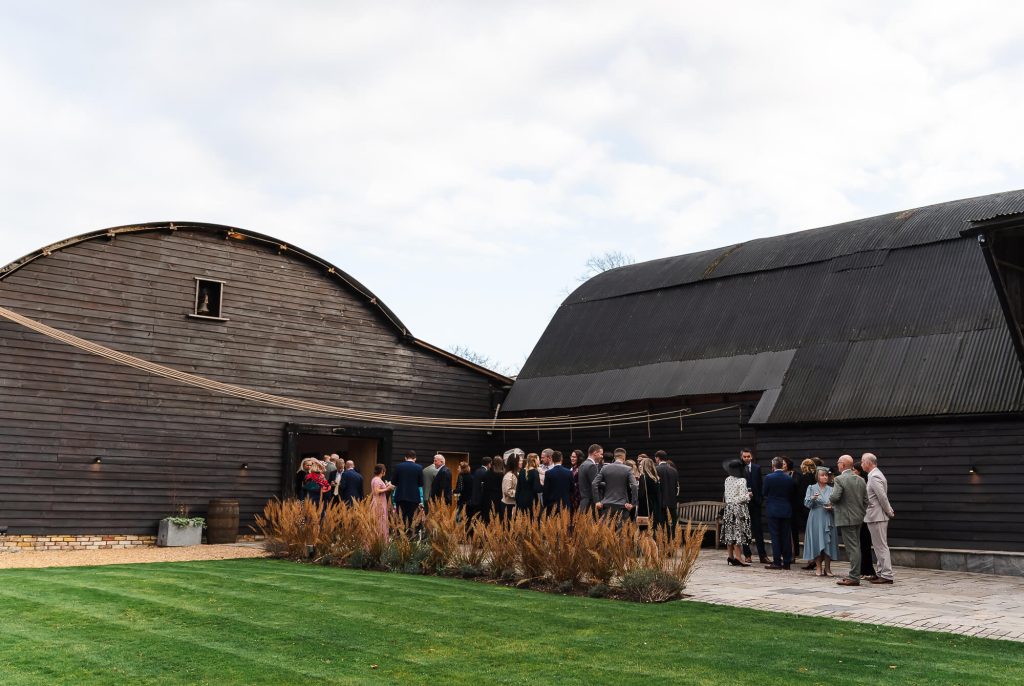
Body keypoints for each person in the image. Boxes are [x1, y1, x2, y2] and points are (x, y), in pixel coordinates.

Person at [829, 454, 868, 586]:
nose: (837, 465)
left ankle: (854, 577)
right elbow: (866, 501)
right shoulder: (861, 479)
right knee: (856, 546)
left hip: (846, 518)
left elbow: (835, 497)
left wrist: (830, 498)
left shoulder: (839, 479)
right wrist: (861, 513)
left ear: (843, 465)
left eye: (838, 462)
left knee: (852, 548)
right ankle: (854, 574)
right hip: (858, 518)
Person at [862, 453, 896, 584]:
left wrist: (889, 511)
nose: (862, 464)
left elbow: (882, 497)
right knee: (878, 546)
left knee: (881, 546)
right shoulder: (873, 475)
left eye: (863, 461)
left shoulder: (875, 476)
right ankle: (881, 572)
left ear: (869, 463)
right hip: (874, 515)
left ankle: (887, 574)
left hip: (877, 515)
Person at [803, 467, 839, 576]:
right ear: (817, 477)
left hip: (828, 517)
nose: (825, 477)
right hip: (815, 517)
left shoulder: (832, 489)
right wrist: (813, 498)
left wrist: (832, 507)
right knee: (817, 541)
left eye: (826, 475)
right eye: (822, 475)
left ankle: (827, 568)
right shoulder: (811, 488)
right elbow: (807, 504)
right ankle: (818, 567)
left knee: (829, 542)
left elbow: (837, 505)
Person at [763, 456, 796, 570]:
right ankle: (787, 562)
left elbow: (764, 492)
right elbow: (792, 493)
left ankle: (777, 562)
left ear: (773, 466)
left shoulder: (769, 477)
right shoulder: (789, 478)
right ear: (782, 465)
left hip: (773, 510)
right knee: (786, 536)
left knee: (775, 536)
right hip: (786, 509)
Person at [720, 458, 752, 566]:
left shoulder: (727, 479)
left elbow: (727, 496)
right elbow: (741, 498)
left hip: (728, 508)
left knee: (730, 531)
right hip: (738, 509)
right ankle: (738, 557)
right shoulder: (742, 480)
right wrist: (749, 495)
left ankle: (730, 556)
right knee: (737, 532)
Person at [592, 448, 637, 523]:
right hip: (622, 506)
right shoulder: (628, 469)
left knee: (606, 532)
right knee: (621, 533)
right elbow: (634, 485)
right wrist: (633, 504)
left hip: (607, 505)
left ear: (614, 457)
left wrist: (597, 501)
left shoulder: (605, 468)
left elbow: (594, 483)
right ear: (624, 457)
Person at [740, 449, 768, 564]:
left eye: (748, 456)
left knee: (758, 530)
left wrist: (760, 499)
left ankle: (763, 555)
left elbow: (760, 484)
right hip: (744, 503)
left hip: (756, 503)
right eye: (744, 456)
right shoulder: (739, 468)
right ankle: (747, 555)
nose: (746, 458)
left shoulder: (757, 468)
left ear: (751, 457)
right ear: (741, 457)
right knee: (745, 529)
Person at [851, 462, 877, 580]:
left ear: (859, 471)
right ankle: (864, 569)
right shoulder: (859, 482)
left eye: (854, 470)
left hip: (863, 517)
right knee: (861, 544)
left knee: (864, 544)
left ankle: (866, 569)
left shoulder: (862, 483)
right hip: (860, 516)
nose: (852, 472)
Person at [391, 450, 424, 532]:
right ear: (415, 458)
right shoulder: (419, 467)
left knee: (400, 518)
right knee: (412, 519)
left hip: (400, 496)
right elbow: (421, 483)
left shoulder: (398, 466)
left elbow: (393, 482)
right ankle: (410, 538)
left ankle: (400, 536)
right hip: (413, 497)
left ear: (405, 458)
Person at [795, 459, 817, 569]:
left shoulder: (804, 478)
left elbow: (801, 495)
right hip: (816, 508)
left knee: (808, 536)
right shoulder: (816, 477)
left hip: (805, 509)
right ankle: (815, 559)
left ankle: (810, 560)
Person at [635, 455, 661, 533]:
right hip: (654, 506)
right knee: (652, 529)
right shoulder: (656, 478)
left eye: (641, 464)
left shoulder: (643, 477)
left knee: (643, 531)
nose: (639, 466)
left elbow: (641, 495)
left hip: (644, 508)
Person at [542, 450, 573, 515]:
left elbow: (545, 491)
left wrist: (545, 504)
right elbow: (572, 489)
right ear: (561, 459)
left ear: (552, 459)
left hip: (552, 505)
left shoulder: (548, 473)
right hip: (565, 504)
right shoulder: (569, 472)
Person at [655, 451, 679, 534]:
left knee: (660, 526)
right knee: (671, 527)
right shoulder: (674, 471)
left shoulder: (655, 469)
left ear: (658, 458)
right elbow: (676, 488)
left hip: (659, 503)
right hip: (672, 503)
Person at [370, 464, 394, 541]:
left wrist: (386, 486)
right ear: (382, 471)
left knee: (381, 521)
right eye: (384, 471)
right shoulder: (377, 479)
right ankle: (379, 540)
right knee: (379, 521)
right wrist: (388, 488)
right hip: (378, 503)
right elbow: (376, 491)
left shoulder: (376, 479)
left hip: (380, 501)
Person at [577, 444, 603, 514]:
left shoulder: (582, 465)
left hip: (583, 503)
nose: (602, 456)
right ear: (595, 453)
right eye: (601, 454)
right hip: (591, 505)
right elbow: (595, 485)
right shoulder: (592, 466)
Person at [481, 456, 505, 524]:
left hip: (488, 498)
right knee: (498, 519)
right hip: (499, 499)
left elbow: (484, 487)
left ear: (493, 463)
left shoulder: (487, 473)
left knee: (488, 518)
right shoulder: (503, 474)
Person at [469, 456, 491, 524]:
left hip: (474, 498)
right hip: (481, 500)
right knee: (480, 519)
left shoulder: (477, 471)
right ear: (489, 464)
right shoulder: (485, 472)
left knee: (475, 518)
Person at [501, 453, 520, 520]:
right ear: (515, 463)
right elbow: (507, 491)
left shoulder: (517, 473)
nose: (521, 462)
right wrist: (519, 494)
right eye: (519, 461)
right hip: (508, 505)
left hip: (514, 504)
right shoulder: (508, 475)